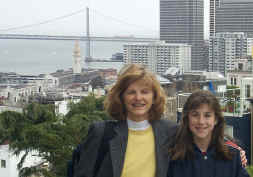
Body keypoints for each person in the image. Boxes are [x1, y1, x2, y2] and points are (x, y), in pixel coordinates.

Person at [74, 63, 177, 177]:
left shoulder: (170, 132)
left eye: (144, 92)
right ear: (121, 97)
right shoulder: (101, 133)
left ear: (154, 97)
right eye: (131, 92)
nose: (138, 98)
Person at [167, 90, 250, 177]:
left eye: (207, 115)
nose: (201, 121)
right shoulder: (174, 156)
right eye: (195, 115)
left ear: (216, 119)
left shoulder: (232, 155)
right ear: (187, 119)